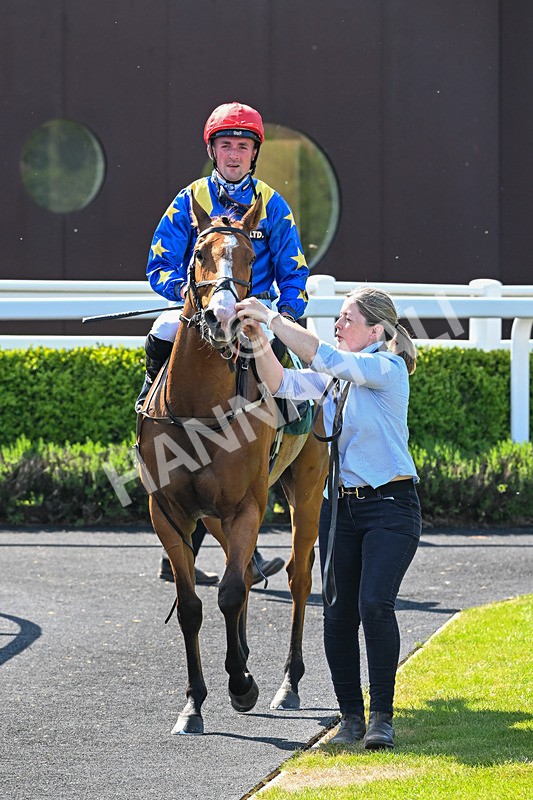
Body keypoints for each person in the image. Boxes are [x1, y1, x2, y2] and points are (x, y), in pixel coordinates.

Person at [235, 286, 422, 750]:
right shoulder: (336, 377)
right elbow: (281, 383)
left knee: (373, 605)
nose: (338, 325)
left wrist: (272, 317)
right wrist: (258, 339)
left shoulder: (387, 367)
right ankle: (351, 719)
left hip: (391, 507)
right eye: (338, 318)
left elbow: (328, 357)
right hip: (342, 509)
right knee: (337, 615)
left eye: (347, 319)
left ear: (375, 331)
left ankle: (382, 718)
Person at [138, 101, 309, 585]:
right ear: (213, 150)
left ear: (255, 153)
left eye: (243, 146)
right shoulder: (188, 199)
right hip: (199, 310)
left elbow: (294, 272)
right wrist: (190, 293)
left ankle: (286, 429)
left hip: (253, 312)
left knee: (274, 352)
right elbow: (159, 265)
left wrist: (283, 313)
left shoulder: (273, 205)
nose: (234, 154)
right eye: (226, 145)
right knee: (161, 333)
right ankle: (150, 409)